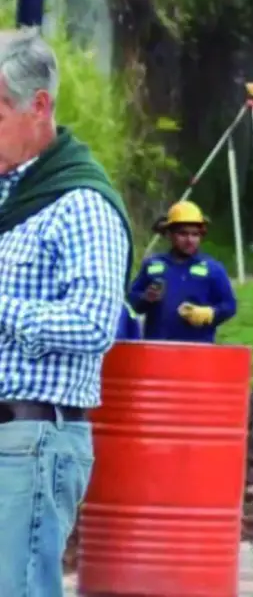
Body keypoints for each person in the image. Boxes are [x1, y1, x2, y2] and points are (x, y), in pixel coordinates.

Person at [0, 30, 132, 595]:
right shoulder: (9, 196)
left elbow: (95, 323)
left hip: (33, 439)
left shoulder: (80, 204)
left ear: (39, 105)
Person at [128, 201, 236, 343]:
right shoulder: (153, 265)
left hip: (197, 352)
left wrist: (210, 314)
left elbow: (229, 305)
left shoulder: (213, 269)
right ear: (170, 234)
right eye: (183, 234)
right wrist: (146, 298)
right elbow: (131, 302)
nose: (190, 240)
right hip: (157, 350)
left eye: (195, 234)